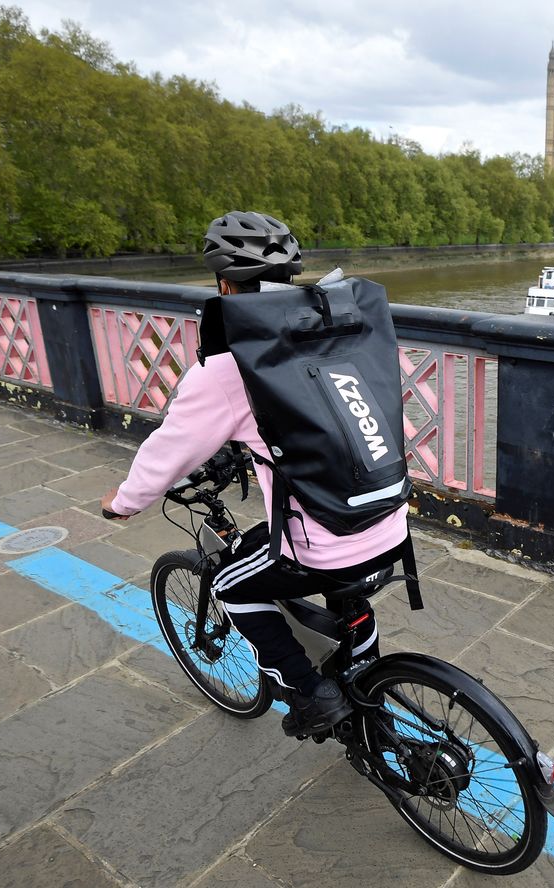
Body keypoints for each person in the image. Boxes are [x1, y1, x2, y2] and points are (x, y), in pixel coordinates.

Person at [101, 211, 409, 736]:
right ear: (289, 278)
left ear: (223, 285)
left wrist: (123, 503)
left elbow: (169, 450)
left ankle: (314, 696)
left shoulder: (229, 367)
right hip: (389, 520)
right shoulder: (340, 335)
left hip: (324, 544)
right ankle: (368, 692)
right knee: (349, 597)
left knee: (232, 586)